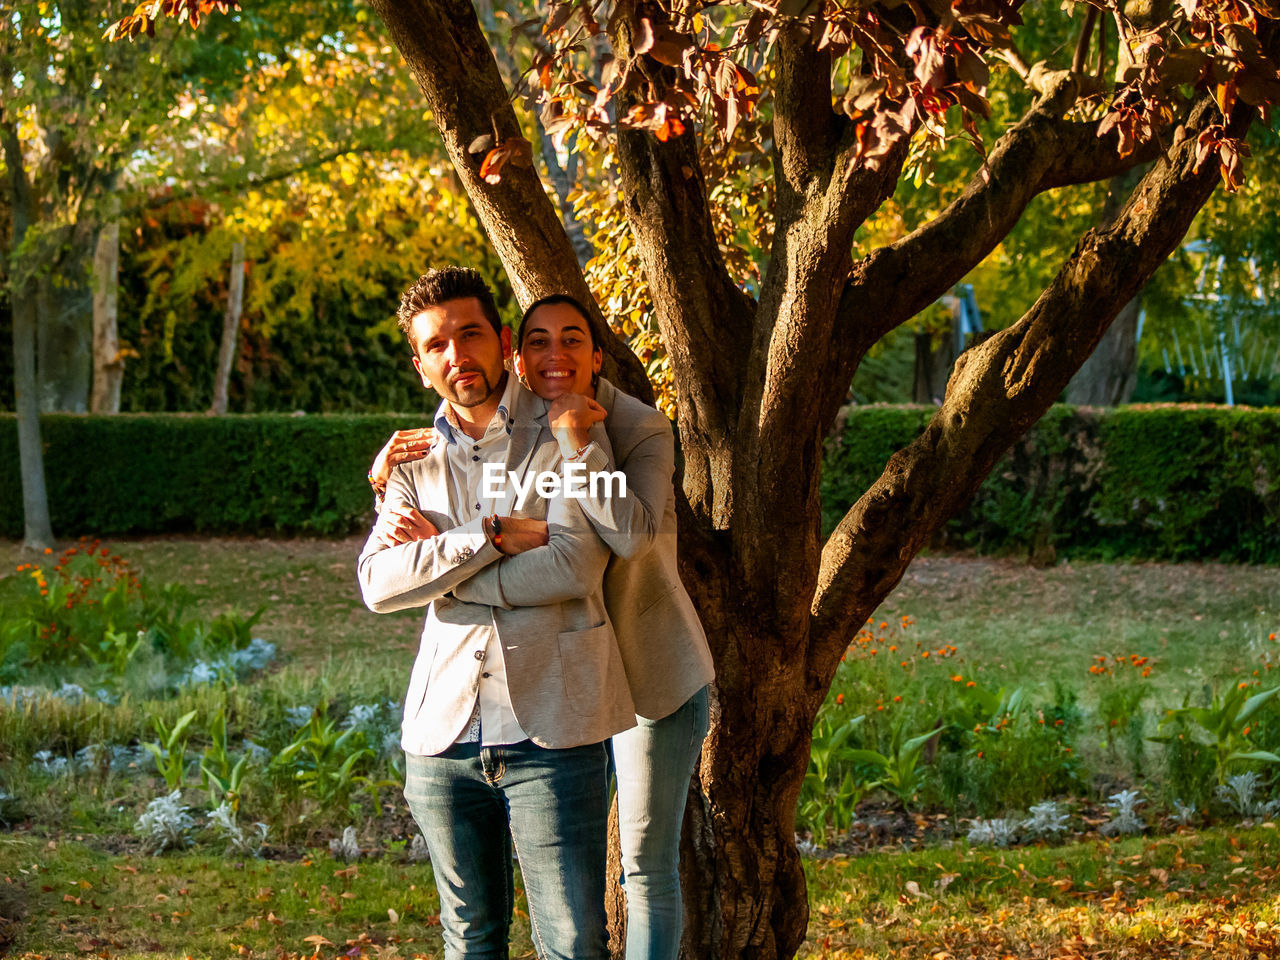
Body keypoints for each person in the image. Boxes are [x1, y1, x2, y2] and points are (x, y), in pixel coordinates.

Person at [371, 293, 715, 960]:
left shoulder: (638, 428)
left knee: (642, 864)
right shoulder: (494, 429)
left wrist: (575, 443)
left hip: (642, 656)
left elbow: (628, 541)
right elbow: (389, 570)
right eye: (539, 341)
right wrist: (483, 537)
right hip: (555, 662)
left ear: (597, 353)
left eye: (573, 340)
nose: (554, 355)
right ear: (517, 353)